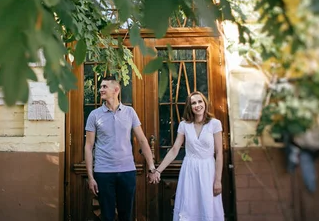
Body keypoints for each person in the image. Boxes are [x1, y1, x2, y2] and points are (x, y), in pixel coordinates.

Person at [85, 75, 158, 221]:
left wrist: (151, 167)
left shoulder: (130, 112)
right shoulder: (94, 115)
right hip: (104, 173)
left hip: (127, 172)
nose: (101, 90)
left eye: (104, 87)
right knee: (107, 216)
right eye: (101, 87)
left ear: (116, 89)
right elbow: (88, 146)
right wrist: (91, 177)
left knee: (126, 215)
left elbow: (143, 140)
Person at [150, 91, 224, 221]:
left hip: (208, 170)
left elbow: (219, 154)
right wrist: (158, 170)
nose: (197, 105)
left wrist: (217, 180)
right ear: (190, 107)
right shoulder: (184, 125)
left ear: (205, 103)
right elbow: (174, 150)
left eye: (200, 101)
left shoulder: (215, 124)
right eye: (193, 103)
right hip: (190, 170)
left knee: (208, 207)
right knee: (189, 208)